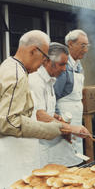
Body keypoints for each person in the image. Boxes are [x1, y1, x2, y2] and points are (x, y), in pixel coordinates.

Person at [0, 30, 81, 187]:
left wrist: (54, 122)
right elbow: (8, 121)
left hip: (17, 152)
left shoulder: (8, 65)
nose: (44, 63)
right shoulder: (17, 74)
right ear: (33, 51)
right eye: (44, 58)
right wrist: (49, 129)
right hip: (13, 157)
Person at [29, 42, 90, 167]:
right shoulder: (35, 81)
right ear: (46, 61)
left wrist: (55, 116)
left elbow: (46, 111)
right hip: (38, 146)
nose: (64, 69)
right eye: (61, 64)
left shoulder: (51, 80)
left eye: (65, 65)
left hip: (50, 141)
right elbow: (39, 115)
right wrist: (70, 128)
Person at [54, 29, 90, 166]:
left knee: (75, 157)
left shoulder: (79, 66)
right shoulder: (62, 66)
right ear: (70, 44)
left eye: (87, 46)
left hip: (76, 119)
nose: (86, 50)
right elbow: (54, 97)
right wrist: (60, 122)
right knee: (63, 160)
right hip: (64, 118)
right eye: (82, 45)